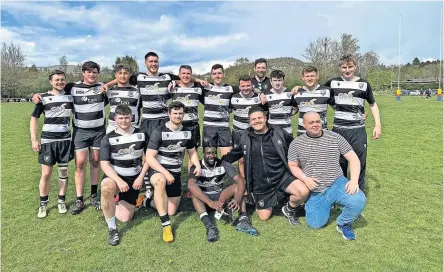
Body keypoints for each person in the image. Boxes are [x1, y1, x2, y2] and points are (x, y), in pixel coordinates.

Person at [32, 61, 106, 214]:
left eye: (94, 72)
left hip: (99, 131)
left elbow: (119, 84)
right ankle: (79, 199)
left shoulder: (102, 87)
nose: (91, 74)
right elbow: (53, 90)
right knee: (79, 163)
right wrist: (35, 95)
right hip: (79, 131)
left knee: (95, 161)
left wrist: (108, 84)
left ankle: (93, 195)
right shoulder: (72, 87)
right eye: (88, 72)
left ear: (98, 73)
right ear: (83, 73)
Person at [222, 107, 309, 225]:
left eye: (259, 118)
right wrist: (216, 162)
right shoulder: (245, 137)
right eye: (253, 119)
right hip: (261, 184)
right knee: (264, 216)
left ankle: (288, 208)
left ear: (265, 118)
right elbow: (233, 155)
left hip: (282, 177)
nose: (257, 121)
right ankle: (273, 199)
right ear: (249, 121)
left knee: (303, 191)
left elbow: (295, 147)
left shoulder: (278, 132)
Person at [288, 111, 366, 240]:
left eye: (318, 121)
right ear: (303, 124)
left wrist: (354, 181)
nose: (315, 125)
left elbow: (354, 159)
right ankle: (323, 205)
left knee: (359, 200)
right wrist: (305, 179)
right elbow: (293, 165)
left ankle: (343, 223)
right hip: (315, 190)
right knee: (315, 224)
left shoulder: (335, 137)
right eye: (311, 122)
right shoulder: (296, 143)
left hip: (337, 183)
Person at [144, 101, 202, 242]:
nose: (177, 116)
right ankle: (166, 225)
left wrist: (198, 165)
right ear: (169, 114)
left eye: (180, 113)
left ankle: (148, 202)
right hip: (158, 171)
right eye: (175, 113)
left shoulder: (187, 132)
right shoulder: (159, 131)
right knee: (160, 180)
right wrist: (165, 172)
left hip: (175, 174)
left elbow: (192, 152)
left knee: (171, 210)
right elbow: (150, 158)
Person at [324, 54, 382, 191]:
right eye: (344, 67)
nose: (347, 70)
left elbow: (373, 104)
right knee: (339, 166)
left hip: (358, 131)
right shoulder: (332, 83)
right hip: (339, 130)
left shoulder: (363, 84)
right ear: (339, 68)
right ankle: (340, 197)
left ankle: (358, 199)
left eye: (350, 67)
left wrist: (377, 125)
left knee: (360, 165)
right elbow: (315, 91)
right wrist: (297, 87)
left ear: (355, 67)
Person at [99, 105, 150, 246]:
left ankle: (113, 202)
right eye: (120, 118)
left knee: (125, 218)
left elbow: (149, 158)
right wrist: (119, 181)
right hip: (116, 176)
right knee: (106, 187)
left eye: (127, 117)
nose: (124, 121)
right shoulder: (108, 138)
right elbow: (104, 165)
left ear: (132, 117)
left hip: (134, 178)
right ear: (115, 119)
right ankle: (112, 229)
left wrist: (140, 177)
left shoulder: (142, 134)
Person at [188, 145, 258, 242]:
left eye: (214, 153)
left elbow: (240, 180)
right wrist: (210, 203)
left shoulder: (223, 164)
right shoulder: (197, 166)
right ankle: (210, 227)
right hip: (204, 201)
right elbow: (191, 186)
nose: (211, 155)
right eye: (208, 153)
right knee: (194, 194)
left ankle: (244, 219)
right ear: (203, 154)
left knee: (238, 187)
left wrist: (237, 199)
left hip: (220, 198)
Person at [30, 70, 74, 218]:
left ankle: (61, 200)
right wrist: (34, 140)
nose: (60, 82)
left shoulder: (70, 97)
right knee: (46, 173)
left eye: (62, 79)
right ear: (51, 82)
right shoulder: (43, 98)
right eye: (57, 80)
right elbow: (34, 119)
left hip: (65, 141)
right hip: (48, 141)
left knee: (63, 173)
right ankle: (43, 204)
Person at [169, 65, 204, 172]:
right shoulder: (172, 88)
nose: (186, 75)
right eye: (183, 73)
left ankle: (190, 183)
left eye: (188, 73)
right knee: (175, 157)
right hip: (176, 127)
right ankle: (175, 183)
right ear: (179, 75)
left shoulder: (198, 89)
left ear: (191, 75)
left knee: (192, 156)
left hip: (193, 126)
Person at [230, 75, 263, 179]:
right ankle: (244, 183)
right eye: (243, 86)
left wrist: (261, 93)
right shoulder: (234, 97)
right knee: (241, 159)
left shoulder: (258, 98)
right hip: (237, 132)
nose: (245, 88)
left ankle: (255, 180)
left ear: (252, 85)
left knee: (255, 157)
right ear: (239, 87)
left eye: (248, 85)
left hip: (253, 133)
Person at [202, 64, 237, 156]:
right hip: (208, 127)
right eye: (215, 73)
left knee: (228, 158)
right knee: (209, 159)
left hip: (224, 127)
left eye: (220, 73)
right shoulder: (205, 88)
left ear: (223, 74)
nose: (217, 76)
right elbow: (189, 79)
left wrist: (260, 93)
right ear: (211, 75)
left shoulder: (230, 89)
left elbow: (247, 87)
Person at [293, 66, 335, 136]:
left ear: (317, 76)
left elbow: (337, 108)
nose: (309, 78)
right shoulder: (296, 93)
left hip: (322, 133)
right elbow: (292, 111)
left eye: (312, 76)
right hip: (302, 133)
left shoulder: (327, 91)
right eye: (307, 76)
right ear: (302, 78)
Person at [106, 64, 140, 134]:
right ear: (116, 75)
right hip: (113, 128)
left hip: (132, 127)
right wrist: (107, 85)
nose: (123, 76)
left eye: (125, 73)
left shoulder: (137, 90)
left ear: (129, 75)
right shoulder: (109, 91)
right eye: (120, 73)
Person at [262, 70, 298, 136]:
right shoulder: (266, 95)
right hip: (272, 132)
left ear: (283, 81)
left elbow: (296, 107)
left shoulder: (290, 93)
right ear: (271, 81)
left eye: (279, 80)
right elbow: (264, 112)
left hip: (287, 131)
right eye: (275, 80)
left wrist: (289, 114)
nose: (277, 83)